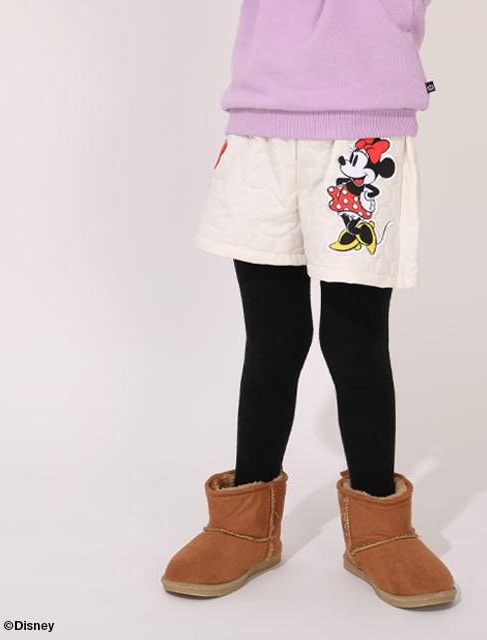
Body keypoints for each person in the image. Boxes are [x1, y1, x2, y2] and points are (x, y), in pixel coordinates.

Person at [161, 0, 457, 608]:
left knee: (355, 341)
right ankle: (243, 524)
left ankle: (380, 529)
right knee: (272, 337)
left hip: (365, 131)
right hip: (260, 126)